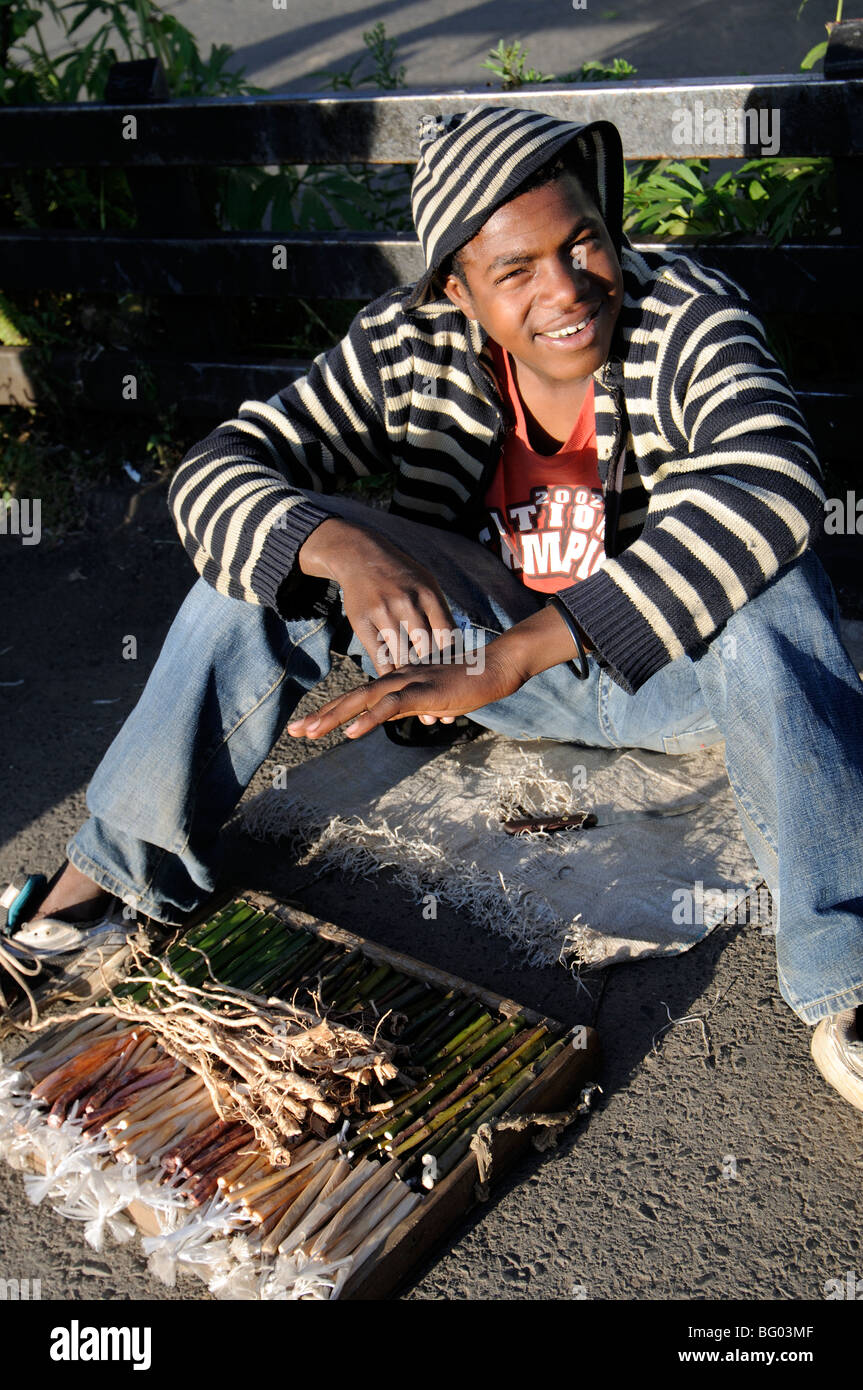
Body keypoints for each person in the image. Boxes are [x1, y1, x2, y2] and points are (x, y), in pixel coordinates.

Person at [4, 106, 863, 1110]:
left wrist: (527, 647)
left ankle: (843, 978)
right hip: (476, 667)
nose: (566, 287)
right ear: (456, 287)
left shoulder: (684, 312)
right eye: (516, 270)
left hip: (666, 672)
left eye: (582, 238)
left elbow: (767, 478)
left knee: (771, 578)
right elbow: (214, 471)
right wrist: (347, 550)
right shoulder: (407, 343)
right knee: (277, 546)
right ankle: (105, 889)